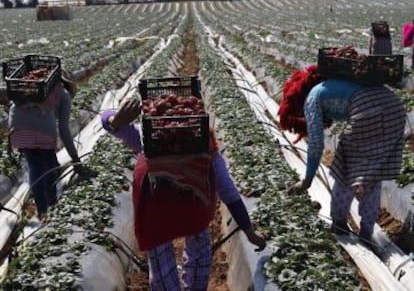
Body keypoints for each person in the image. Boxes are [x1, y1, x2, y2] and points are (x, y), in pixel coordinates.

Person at [101, 98, 266, 290]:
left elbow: (108, 122)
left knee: (163, 269)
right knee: (198, 257)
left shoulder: (154, 142)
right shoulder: (207, 154)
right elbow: (230, 195)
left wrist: (114, 121)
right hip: (189, 213)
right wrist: (249, 232)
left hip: (157, 216)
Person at [279, 64, 406, 251]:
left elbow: (315, 143)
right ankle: (366, 232)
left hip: (369, 109)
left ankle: (338, 222)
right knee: (373, 175)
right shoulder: (331, 86)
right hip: (395, 109)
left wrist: (307, 180)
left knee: (345, 167)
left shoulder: (312, 98)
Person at [5, 72, 81, 222]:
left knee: (38, 163)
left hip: (17, 127)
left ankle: (44, 207)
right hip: (43, 131)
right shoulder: (63, 94)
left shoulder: (26, 89)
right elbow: (64, 129)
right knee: (44, 169)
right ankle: (48, 208)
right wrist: (75, 158)